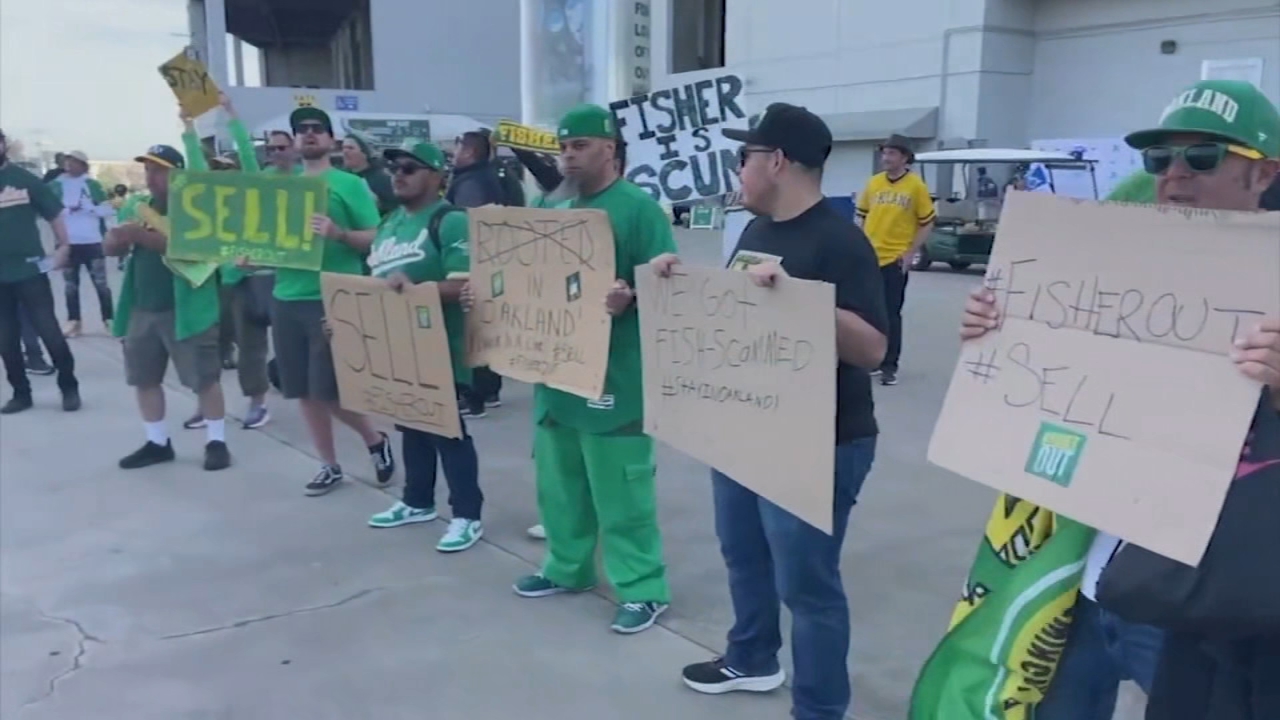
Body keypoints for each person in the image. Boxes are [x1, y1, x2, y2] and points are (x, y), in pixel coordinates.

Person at [960, 78, 1280, 720]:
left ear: (1264, 173)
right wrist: (997, 331)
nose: (1176, 176)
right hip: (1076, 564)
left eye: (1204, 157)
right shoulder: (1117, 267)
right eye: (1159, 160)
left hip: (1193, 592)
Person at [664, 104, 887, 720]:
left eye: (744, 157)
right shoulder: (756, 231)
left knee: (807, 586)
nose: (738, 169)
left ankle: (819, 708)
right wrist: (673, 286)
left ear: (777, 162)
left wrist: (800, 301)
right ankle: (752, 657)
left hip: (821, 442)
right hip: (749, 428)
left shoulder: (841, 241)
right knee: (742, 553)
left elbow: (872, 349)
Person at [505, 104, 674, 634]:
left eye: (579, 146)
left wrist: (635, 298)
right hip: (555, 376)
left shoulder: (637, 210)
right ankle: (567, 567)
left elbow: (671, 287)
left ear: (610, 149)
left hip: (615, 380)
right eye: (563, 147)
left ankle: (644, 588)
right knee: (561, 485)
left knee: (621, 492)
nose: (569, 156)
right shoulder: (551, 208)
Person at [363, 140, 484, 552]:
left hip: (441, 347)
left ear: (437, 177)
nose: (398, 174)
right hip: (398, 347)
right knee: (410, 427)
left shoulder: (450, 221)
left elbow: (464, 283)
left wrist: (417, 290)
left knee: (447, 433)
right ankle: (417, 500)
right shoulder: (389, 223)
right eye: (394, 167)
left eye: (411, 168)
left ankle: (467, 514)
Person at [269, 105, 395, 496]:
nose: (309, 134)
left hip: (334, 295)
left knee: (331, 390)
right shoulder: (278, 186)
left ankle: (374, 438)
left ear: (330, 139)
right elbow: (266, 240)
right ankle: (328, 464)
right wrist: (249, 253)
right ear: (292, 140)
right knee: (303, 391)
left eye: (316, 129)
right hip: (286, 295)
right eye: (301, 129)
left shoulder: (349, 184)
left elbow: (377, 236)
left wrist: (339, 234)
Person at [102, 144, 230, 471]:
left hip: (187, 309)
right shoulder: (137, 206)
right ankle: (157, 441)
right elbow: (111, 247)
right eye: (148, 170)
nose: (152, 177)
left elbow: (190, 249)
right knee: (144, 378)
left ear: (179, 174)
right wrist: (118, 240)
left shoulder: (196, 208)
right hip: (143, 306)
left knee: (204, 378)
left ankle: (217, 441)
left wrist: (141, 237)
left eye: (159, 170)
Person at [179, 95, 272, 431]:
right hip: (212, 281)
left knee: (250, 348)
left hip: (245, 281)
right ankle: (207, 405)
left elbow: (248, 155)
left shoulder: (251, 196)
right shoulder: (207, 202)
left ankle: (258, 403)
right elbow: (194, 165)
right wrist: (188, 127)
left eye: (226, 169)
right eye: (216, 170)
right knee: (207, 347)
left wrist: (231, 114)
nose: (221, 175)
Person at [0, 129, 80, 413]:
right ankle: (21, 394)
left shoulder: (24, 180)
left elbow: (55, 213)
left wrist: (63, 247)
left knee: (49, 331)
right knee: (6, 341)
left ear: (3, 146)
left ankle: (69, 387)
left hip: (30, 271)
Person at [855, 134, 935, 386]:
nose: (885, 158)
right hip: (869, 258)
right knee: (868, 313)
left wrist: (911, 251)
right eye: (884, 153)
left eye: (891, 153)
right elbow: (861, 216)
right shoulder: (874, 183)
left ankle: (889, 366)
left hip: (895, 259)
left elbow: (927, 222)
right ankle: (872, 360)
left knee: (891, 313)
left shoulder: (915, 187)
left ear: (904, 157)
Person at [448, 130, 507, 418]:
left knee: (472, 329)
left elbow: (464, 223)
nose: (453, 153)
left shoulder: (470, 183)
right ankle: (489, 389)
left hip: (475, 263)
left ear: (469, 151)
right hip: (494, 260)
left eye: (457, 147)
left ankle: (475, 395)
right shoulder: (491, 176)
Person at [48, 150, 114, 337]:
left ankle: (109, 319)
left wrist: (91, 208)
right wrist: (68, 210)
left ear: (84, 165)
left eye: (75, 161)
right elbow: (49, 211)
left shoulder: (92, 185)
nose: (71, 164)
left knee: (101, 283)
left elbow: (107, 210)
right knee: (70, 285)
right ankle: (74, 321)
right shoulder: (55, 185)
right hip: (68, 242)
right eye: (69, 161)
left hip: (92, 241)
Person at [341, 133, 397, 215]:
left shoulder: (382, 179)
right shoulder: (342, 177)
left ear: (365, 153)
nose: (345, 152)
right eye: (343, 148)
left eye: (350, 148)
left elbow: (394, 210)